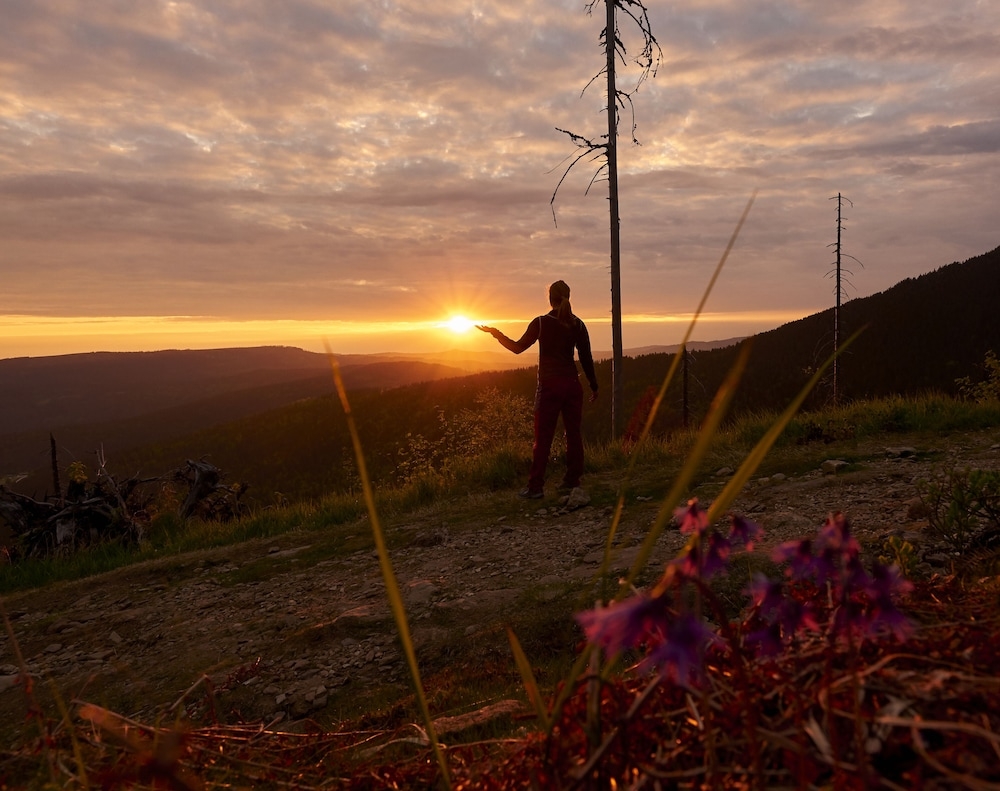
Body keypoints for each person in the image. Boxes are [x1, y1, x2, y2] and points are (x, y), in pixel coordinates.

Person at [477, 280, 599, 499]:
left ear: (549, 298)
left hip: (549, 386)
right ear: (568, 297)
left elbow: (517, 348)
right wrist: (594, 385)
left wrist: (496, 334)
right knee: (574, 434)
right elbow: (586, 358)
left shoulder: (541, 323)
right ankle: (572, 482)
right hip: (572, 385)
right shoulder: (578, 324)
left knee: (543, 438)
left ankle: (535, 487)